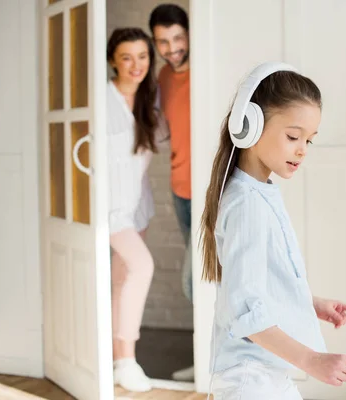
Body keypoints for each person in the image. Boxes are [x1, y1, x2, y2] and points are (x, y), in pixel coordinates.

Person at [199, 62, 346, 400]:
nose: (303, 148)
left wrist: (308, 302)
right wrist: (313, 361)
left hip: (267, 371)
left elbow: (262, 282)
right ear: (249, 126)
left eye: (309, 139)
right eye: (293, 136)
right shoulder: (247, 203)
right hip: (250, 378)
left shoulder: (258, 192)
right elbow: (245, 310)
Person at [106, 27, 168, 393]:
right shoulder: (101, 98)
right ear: (113, 59)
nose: (135, 65)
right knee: (142, 266)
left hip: (137, 207)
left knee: (122, 280)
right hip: (109, 210)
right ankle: (128, 361)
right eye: (127, 57)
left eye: (142, 57)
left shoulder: (150, 98)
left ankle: (116, 359)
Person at [148, 3, 195, 382]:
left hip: (208, 192)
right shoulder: (163, 75)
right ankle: (206, 355)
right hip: (180, 191)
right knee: (201, 279)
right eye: (163, 41)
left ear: (189, 34)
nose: (172, 47)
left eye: (177, 38)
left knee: (195, 281)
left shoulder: (207, 68)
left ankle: (211, 355)